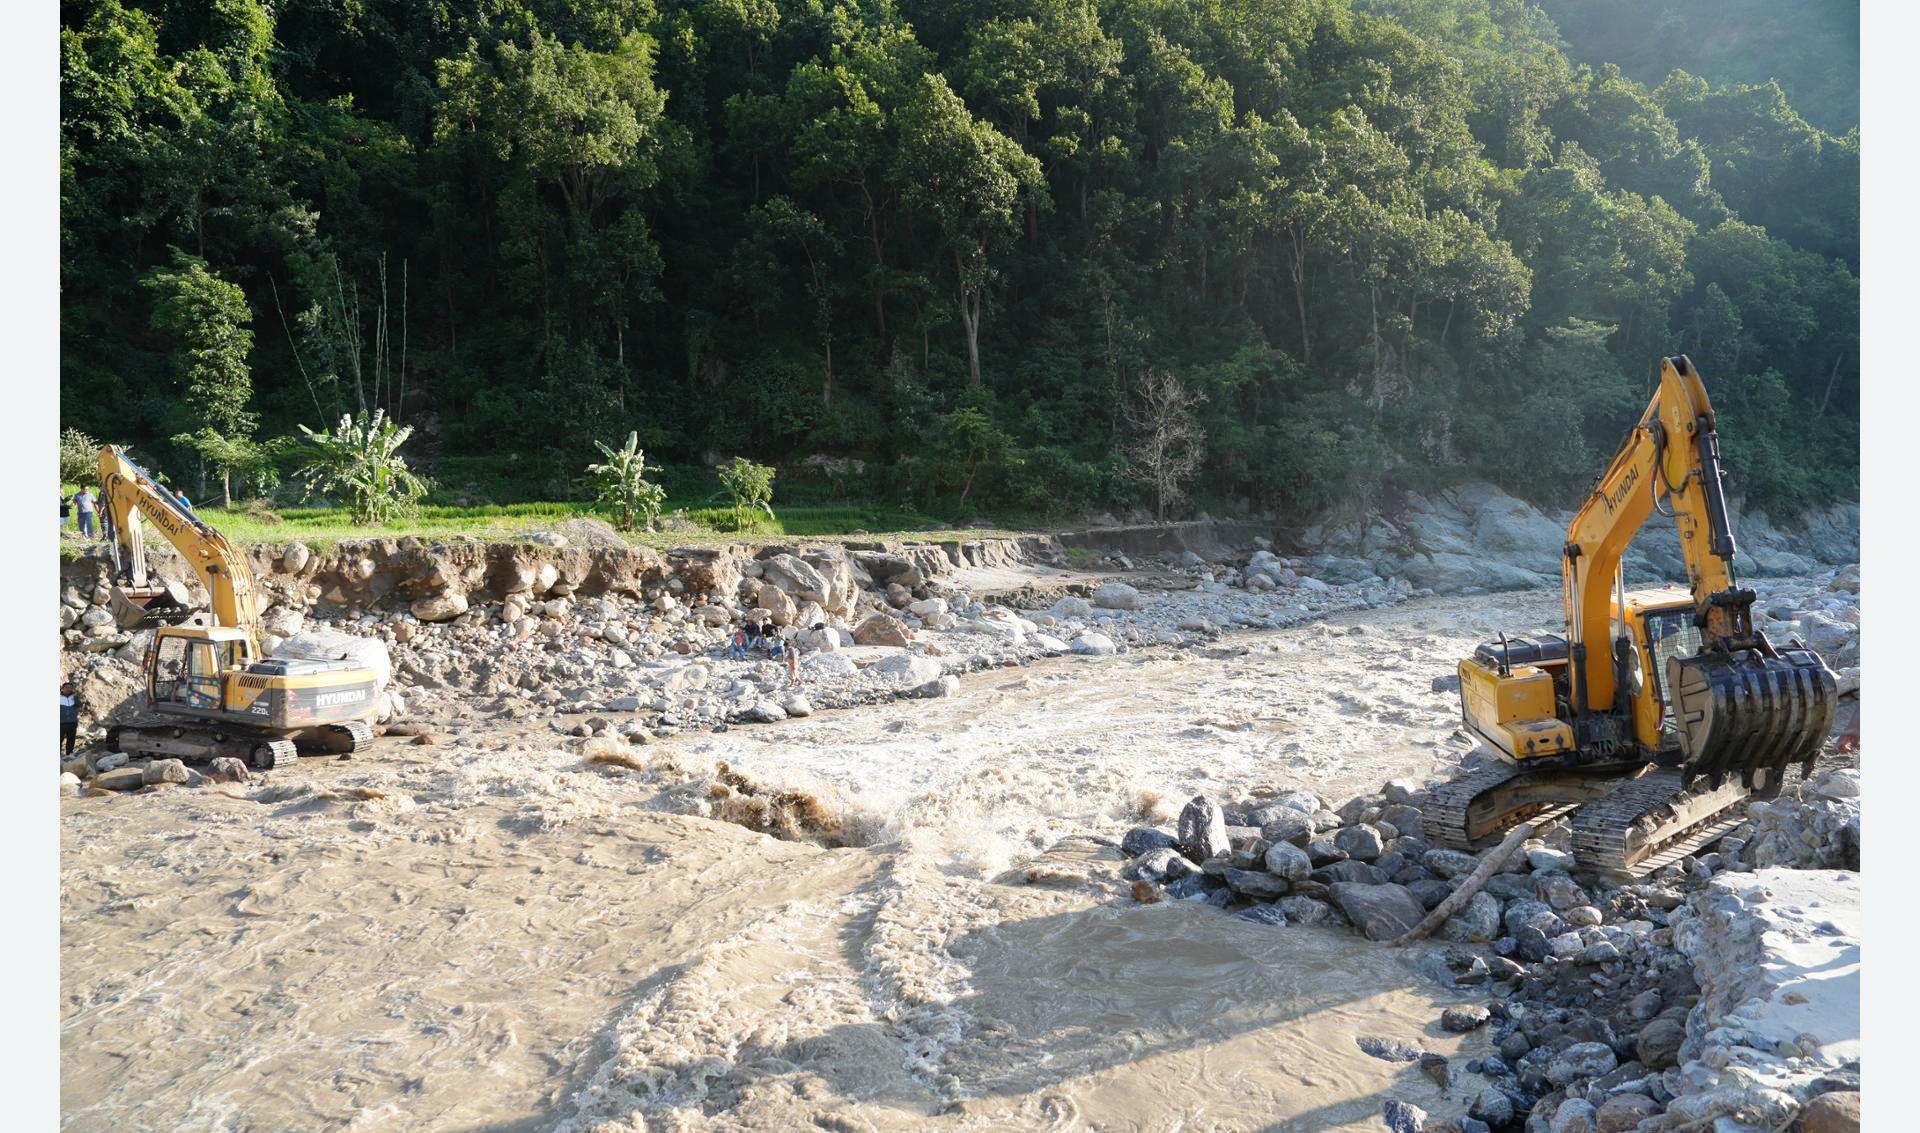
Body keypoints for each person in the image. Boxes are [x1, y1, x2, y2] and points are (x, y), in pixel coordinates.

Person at [59, 682, 79, 759]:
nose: (68, 689)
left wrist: (76, 697)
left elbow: (79, 705)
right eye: (67, 687)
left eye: (70, 687)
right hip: (61, 722)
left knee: (71, 739)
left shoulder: (74, 697)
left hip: (72, 722)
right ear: (62, 688)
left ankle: (69, 753)